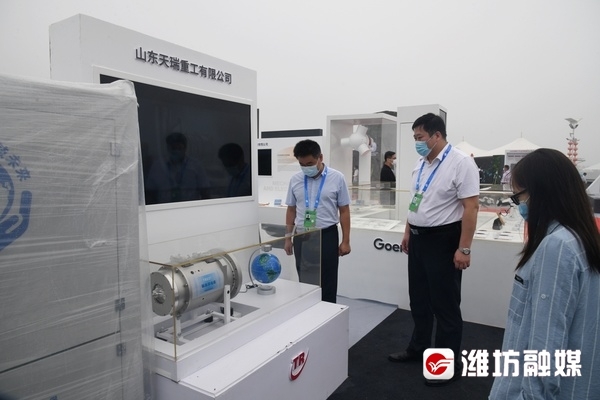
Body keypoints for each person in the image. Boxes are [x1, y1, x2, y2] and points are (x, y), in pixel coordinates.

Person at [489, 149, 600, 399]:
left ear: (541, 193)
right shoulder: (580, 238)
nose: (519, 205)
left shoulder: (557, 247)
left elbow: (546, 343)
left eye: (519, 197)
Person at [388, 113, 480, 387]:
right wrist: (408, 231)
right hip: (418, 239)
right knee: (419, 300)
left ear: (437, 135)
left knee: (445, 305)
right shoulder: (421, 164)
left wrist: (464, 248)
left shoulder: (461, 163)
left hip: (444, 240)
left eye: (420, 137)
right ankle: (418, 349)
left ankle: (445, 366)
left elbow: (471, 207)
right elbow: (416, 202)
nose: (417, 142)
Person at [284, 139, 351, 303]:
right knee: (305, 278)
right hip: (302, 235)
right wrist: (287, 238)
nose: (306, 168)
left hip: (326, 234)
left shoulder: (337, 178)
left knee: (328, 278)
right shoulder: (295, 179)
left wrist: (346, 241)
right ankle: (308, 310)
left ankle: (328, 311)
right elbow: (291, 209)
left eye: (310, 163)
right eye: (302, 164)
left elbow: (344, 211)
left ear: (320, 157)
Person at [145, 132, 211, 204]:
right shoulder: (157, 166)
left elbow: (205, 192)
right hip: (164, 208)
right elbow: (149, 194)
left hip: (190, 208)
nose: (176, 151)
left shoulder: (196, 166)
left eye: (179, 148)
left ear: (185, 148)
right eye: (173, 148)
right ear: (168, 148)